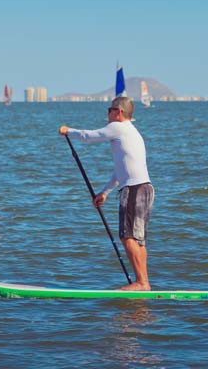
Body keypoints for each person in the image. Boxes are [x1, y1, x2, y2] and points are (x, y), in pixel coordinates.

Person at [58, 96, 155, 291]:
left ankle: (142, 283)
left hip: (134, 189)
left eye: (109, 110)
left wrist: (68, 131)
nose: (107, 114)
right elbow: (121, 171)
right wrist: (105, 192)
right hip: (145, 187)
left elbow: (88, 136)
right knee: (137, 239)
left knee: (128, 237)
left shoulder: (119, 127)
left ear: (119, 112)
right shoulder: (132, 133)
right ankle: (144, 282)